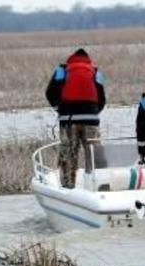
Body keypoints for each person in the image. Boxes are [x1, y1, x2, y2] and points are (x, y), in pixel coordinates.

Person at [45, 48, 106, 188]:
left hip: (68, 119)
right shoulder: (96, 72)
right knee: (93, 155)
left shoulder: (62, 70)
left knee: (69, 155)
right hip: (91, 119)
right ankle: (98, 186)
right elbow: (102, 98)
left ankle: (68, 187)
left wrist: (59, 109)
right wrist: (94, 112)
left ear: (71, 58)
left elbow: (50, 92)